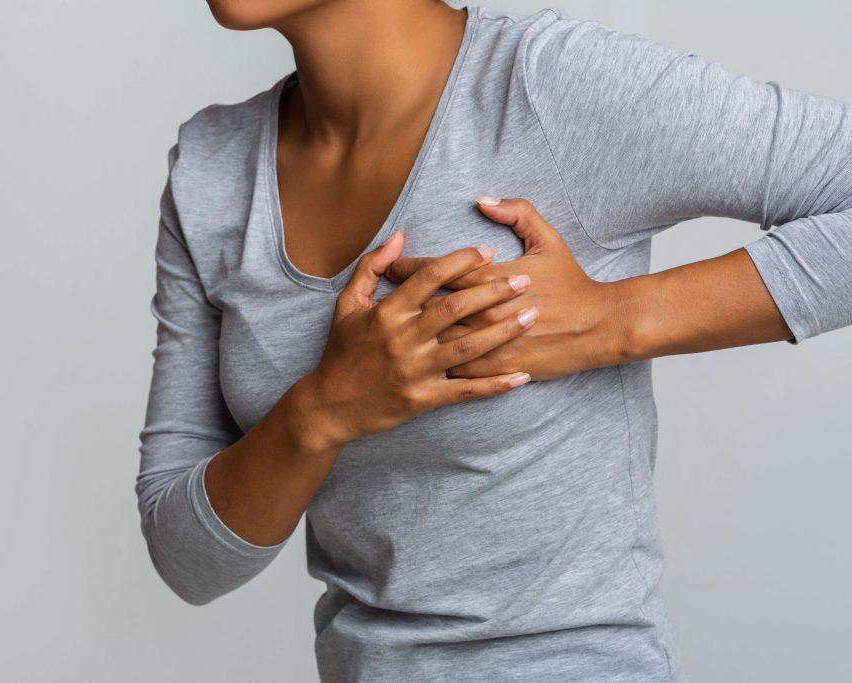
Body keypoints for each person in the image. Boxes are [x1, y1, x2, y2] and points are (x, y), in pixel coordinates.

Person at [136, 1, 852, 680]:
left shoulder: (545, 89)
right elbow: (189, 558)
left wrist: (609, 322)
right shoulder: (212, 168)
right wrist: (324, 409)